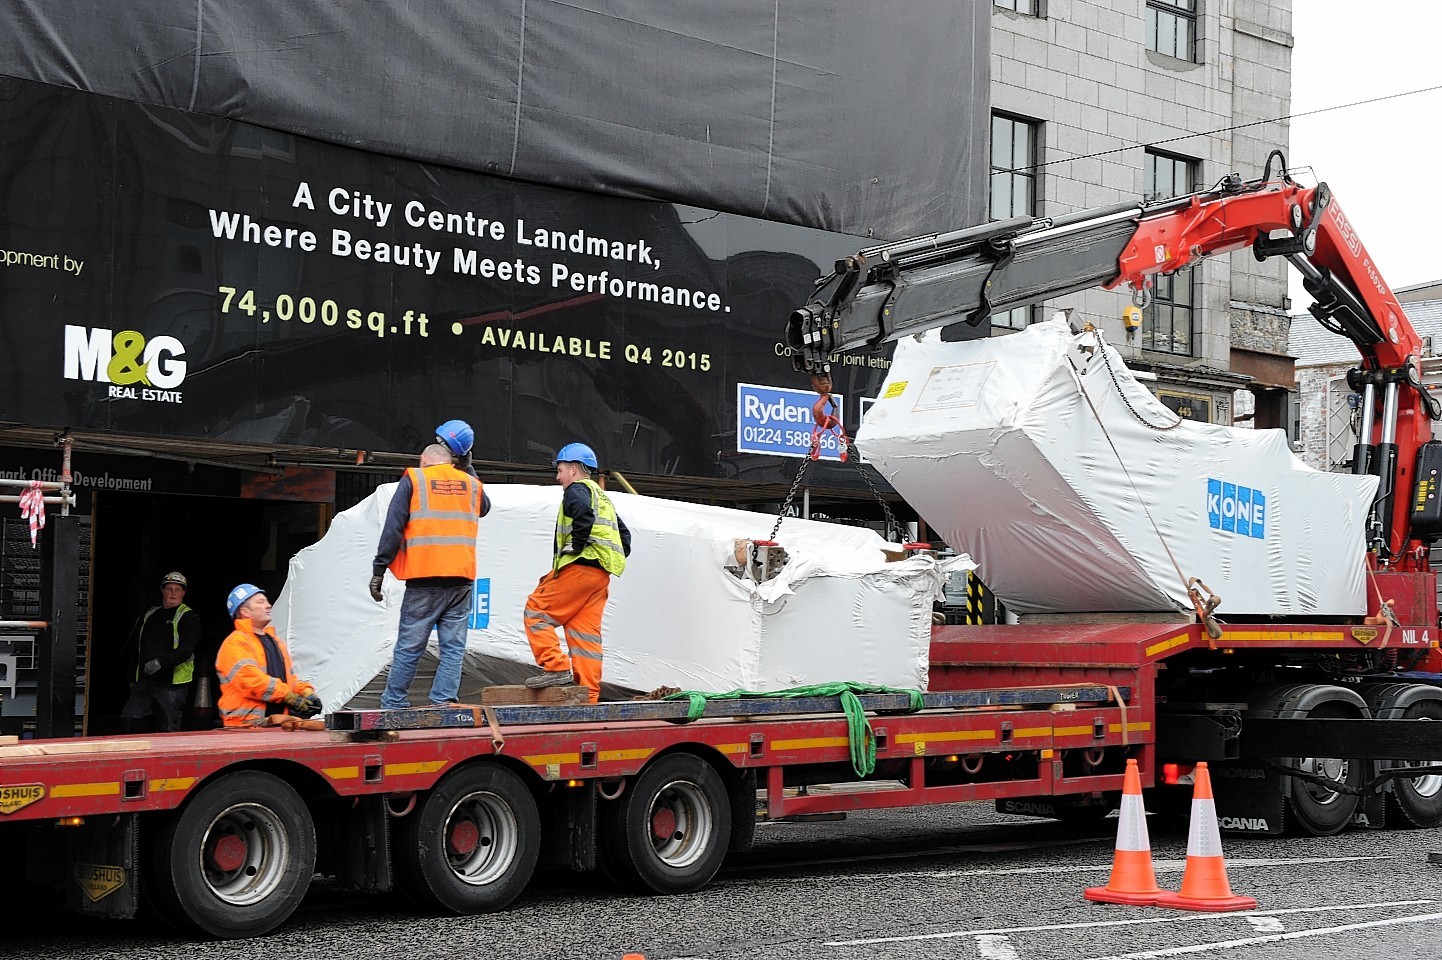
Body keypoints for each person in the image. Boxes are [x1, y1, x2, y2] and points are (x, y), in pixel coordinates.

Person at [369, 420, 491, 709]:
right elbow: (484, 508)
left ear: (425, 459)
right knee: (453, 648)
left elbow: (393, 528)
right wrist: (468, 468)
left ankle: (395, 702)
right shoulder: (471, 484)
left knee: (411, 645)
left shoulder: (415, 479)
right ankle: (442, 700)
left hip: (425, 578)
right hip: (461, 579)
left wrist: (378, 570)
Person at [522, 442, 630, 703]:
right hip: (600, 575)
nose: (557, 477)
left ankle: (555, 666)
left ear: (573, 469)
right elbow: (624, 535)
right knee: (585, 636)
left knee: (536, 611)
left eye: (559, 470)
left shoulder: (577, 490)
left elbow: (582, 515)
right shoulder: (602, 496)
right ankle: (589, 696)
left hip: (581, 568)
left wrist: (579, 546)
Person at [215, 584, 321, 727]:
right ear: (245, 611)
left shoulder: (277, 642)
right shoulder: (235, 643)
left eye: (266, 601)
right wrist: (288, 696)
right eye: (261, 602)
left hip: (276, 725)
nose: (268, 605)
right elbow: (251, 681)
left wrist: (306, 692)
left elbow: (289, 680)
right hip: (245, 727)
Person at [118, 571, 201, 733]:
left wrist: (160, 662)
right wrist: (131, 676)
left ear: (183, 593)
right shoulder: (151, 614)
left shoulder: (188, 617)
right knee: (130, 720)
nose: (173, 593)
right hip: (144, 682)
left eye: (177, 589)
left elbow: (186, 649)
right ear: (162, 591)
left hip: (171, 686)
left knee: (169, 729)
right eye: (169, 588)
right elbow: (137, 646)